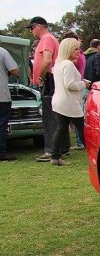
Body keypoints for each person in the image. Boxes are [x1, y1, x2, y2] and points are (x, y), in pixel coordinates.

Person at [51, 38, 90, 166]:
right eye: (76, 48)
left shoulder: (58, 64)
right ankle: (92, 154)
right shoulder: (68, 64)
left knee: (61, 129)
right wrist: (83, 84)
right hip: (69, 103)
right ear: (68, 49)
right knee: (83, 129)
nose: (79, 51)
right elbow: (70, 84)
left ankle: (55, 156)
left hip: (58, 101)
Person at [27, 16, 60, 162]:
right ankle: (60, 148)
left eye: (31, 28)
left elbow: (47, 60)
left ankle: (51, 150)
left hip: (48, 80)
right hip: (51, 79)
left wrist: (40, 77)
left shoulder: (46, 39)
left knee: (49, 118)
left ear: (38, 26)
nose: (31, 31)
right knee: (55, 116)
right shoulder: (49, 38)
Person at [62, 31, 86, 149]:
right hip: (74, 93)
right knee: (65, 125)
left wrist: (82, 84)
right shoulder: (78, 57)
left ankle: (82, 143)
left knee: (78, 122)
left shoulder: (71, 62)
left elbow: (69, 83)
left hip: (73, 95)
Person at [0, 45, 20, 161]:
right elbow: (15, 70)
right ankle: (1, 152)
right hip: (1, 95)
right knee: (2, 124)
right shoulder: (2, 51)